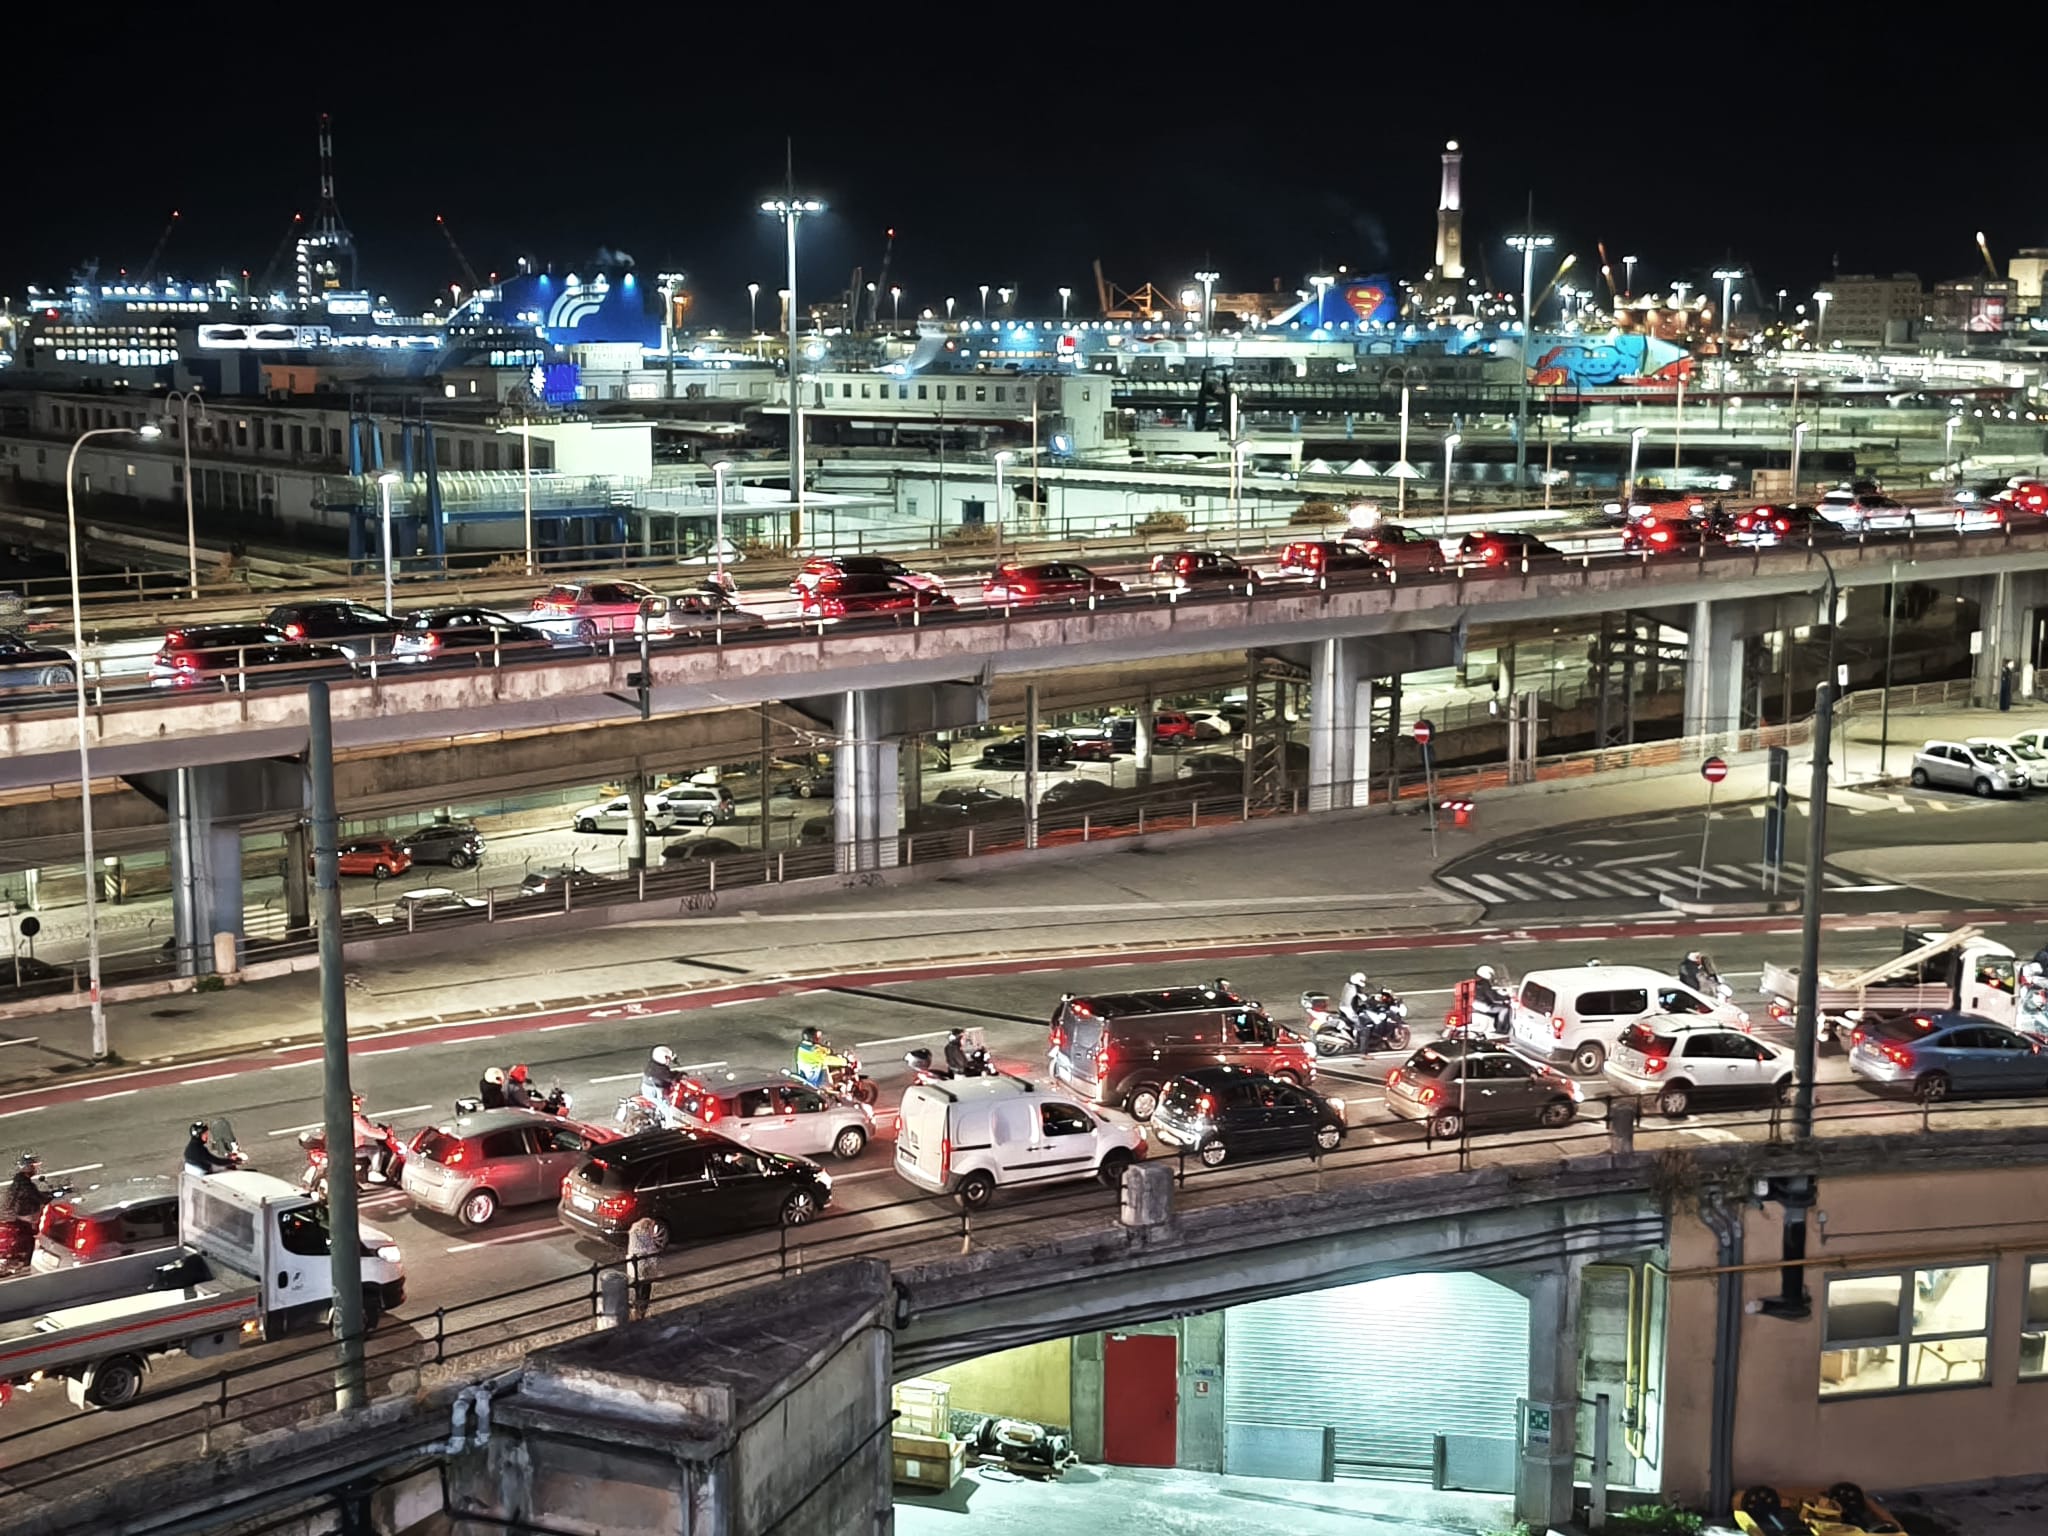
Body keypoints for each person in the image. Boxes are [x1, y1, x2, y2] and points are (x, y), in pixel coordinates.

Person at [351, 1094, 388, 1185]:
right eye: (357, 1103)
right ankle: (374, 1172)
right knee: (376, 1150)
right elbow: (368, 1131)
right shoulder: (355, 1120)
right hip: (353, 1149)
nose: (359, 1105)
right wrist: (384, 1135)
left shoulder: (345, 1117)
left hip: (346, 1148)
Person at [795, 1026, 845, 1091]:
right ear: (813, 1037)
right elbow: (827, 1060)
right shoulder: (813, 1051)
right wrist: (845, 1061)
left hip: (806, 1076)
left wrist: (827, 1050)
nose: (818, 1038)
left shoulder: (801, 1047)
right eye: (816, 1036)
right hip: (814, 1081)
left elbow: (818, 1048)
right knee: (830, 1087)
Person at [1471, 965, 1510, 1038]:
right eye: (1491, 975)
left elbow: (1489, 993)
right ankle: (1500, 1029)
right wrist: (1506, 997)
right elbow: (1494, 998)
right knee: (1505, 1009)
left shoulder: (1476, 982)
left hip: (1476, 1004)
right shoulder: (1485, 983)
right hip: (1484, 1005)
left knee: (1498, 1006)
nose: (1492, 977)